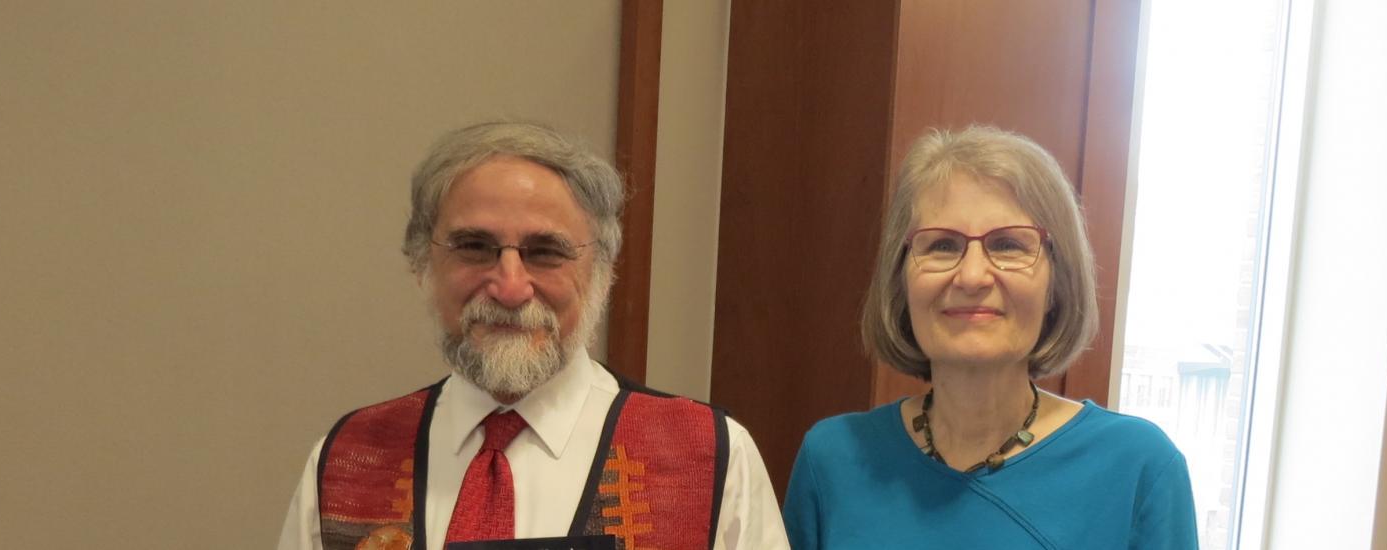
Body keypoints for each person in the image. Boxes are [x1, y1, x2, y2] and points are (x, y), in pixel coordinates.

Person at [278, 121, 788, 550]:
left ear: (603, 270)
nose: (509, 286)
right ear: (421, 263)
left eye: (545, 252)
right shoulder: (347, 461)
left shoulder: (708, 458)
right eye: (474, 246)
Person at [782, 126, 1197, 549]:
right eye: (942, 245)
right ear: (900, 279)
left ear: (1057, 283)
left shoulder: (1138, 468)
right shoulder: (833, 460)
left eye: (1008, 245)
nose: (973, 276)